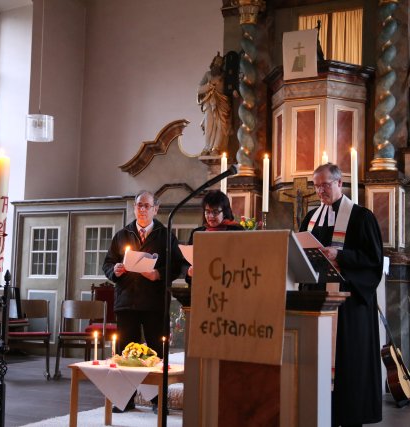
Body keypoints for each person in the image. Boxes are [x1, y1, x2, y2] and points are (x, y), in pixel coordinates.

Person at [299, 164, 383, 426]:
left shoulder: (361, 217)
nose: (320, 190)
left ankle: (349, 415)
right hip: (317, 301)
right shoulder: (311, 218)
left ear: (340, 183)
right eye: (316, 185)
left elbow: (373, 260)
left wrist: (341, 255)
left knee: (349, 363)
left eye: (325, 184)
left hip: (348, 305)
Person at [102, 191, 184, 413]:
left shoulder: (165, 236)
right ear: (134, 208)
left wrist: (158, 274)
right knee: (125, 353)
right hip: (127, 301)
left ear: (156, 209)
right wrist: (115, 270)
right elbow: (107, 264)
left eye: (147, 206)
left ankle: (158, 402)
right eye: (139, 205)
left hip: (155, 303)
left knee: (156, 351)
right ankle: (124, 400)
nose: (143, 209)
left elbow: (178, 266)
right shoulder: (122, 235)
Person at [185, 190, 243, 283]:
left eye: (215, 212)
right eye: (207, 212)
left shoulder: (237, 231)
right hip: (203, 284)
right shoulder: (197, 233)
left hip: (229, 282)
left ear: (224, 212)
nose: (210, 216)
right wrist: (189, 272)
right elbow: (187, 264)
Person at [197, 52, 231, 156]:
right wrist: (210, 85)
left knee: (221, 125)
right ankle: (207, 147)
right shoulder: (207, 75)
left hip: (222, 103)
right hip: (209, 103)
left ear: (222, 65)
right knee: (209, 125)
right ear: (213, 63)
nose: (217, 65)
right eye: (216, 62)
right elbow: (199, 90)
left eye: (220, 63)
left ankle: (216, 147)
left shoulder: (225, 76)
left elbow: (229, 88)